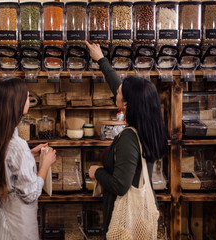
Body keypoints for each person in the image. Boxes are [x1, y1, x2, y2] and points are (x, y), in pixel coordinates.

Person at [85, 41, 167, 236]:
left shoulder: (130, 137)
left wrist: (97, 172)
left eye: (120, 93)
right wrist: (102, 61)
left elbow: (120, 186)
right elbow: (121, 88)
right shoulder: (150, 127)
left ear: (128, 103)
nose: (117, 91)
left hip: (126, 219)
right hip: (141, 212)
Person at [0, 78, 56, 240]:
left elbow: (6, 164)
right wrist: (45, 165)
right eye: (25, 96)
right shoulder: (18, 145)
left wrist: (29, 155)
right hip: (15, 229)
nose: (28, 96)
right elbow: (31, 193)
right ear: (14, 103)